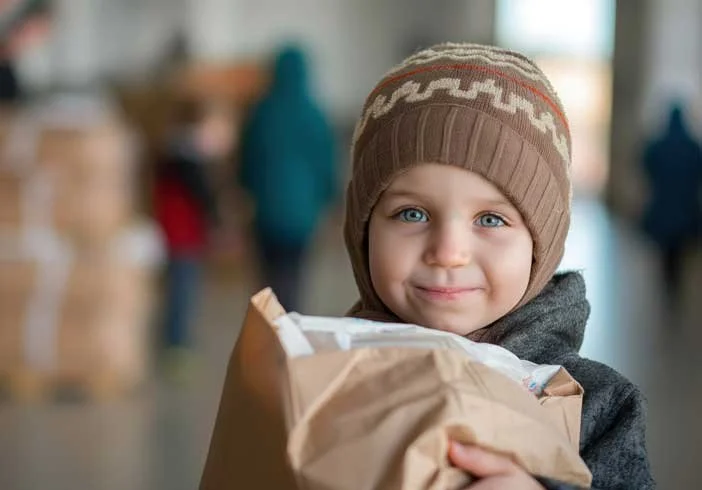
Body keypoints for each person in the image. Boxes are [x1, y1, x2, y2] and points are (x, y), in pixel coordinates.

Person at [343, 43, 654, 489]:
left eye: (491, 219)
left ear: (541, 245)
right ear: (363, 229)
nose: (449, 252)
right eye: (412, 213)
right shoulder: (315, 373)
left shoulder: (598, 406)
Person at [238, 43, 337, 312]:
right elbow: (327, 165)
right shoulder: (314, 114)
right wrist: (329, 200)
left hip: (266, 213)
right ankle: (291, 329)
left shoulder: (262, 113)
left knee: (267, 278)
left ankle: (267, 330)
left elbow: (247, 162)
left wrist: (246, 190)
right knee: (295, 275)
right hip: (303, 215)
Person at [154, 100, 231, 375]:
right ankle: (177, 346)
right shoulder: (189, 160)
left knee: (179, 288)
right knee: (183, 290)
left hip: (176, 233)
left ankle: (174, 341)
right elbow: (204, 198)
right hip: (183, 235)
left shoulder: (172, 153)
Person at [641, 103, 702, 306]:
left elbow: (646, 164)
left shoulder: (658, 145)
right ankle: (675, 288)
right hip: (685, 210)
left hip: (663, 209)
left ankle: (668, 286)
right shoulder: (693, 146)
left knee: (666, 252)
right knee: (680, 251)